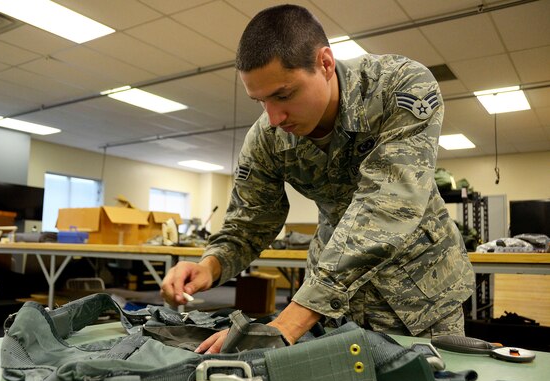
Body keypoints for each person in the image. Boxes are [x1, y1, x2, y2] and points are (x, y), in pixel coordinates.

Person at [161, 4, 475, 354]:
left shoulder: (398, 86)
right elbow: (249, 223)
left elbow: (387, 207)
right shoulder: (267, 137)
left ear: (325, 63)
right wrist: (210, 266)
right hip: (335, 308)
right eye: (260, 101)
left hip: (422, 297)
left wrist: (288, 322)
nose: (275, 117)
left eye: (283, 95)